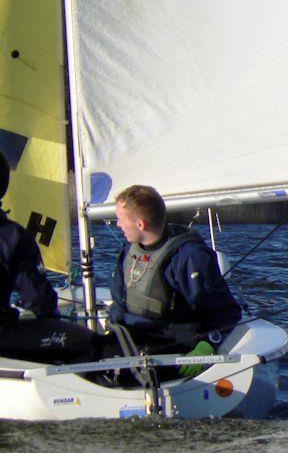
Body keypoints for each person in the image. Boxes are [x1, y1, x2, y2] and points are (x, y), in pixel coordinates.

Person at [110, 185, 242, 377]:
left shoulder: (188, 257)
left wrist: (207, 345)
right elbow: (119, 299)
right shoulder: (129, 251)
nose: (117, 225)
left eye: (120, 220)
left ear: (140, 224)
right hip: (131, 337)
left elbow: (225, 311)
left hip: (168, 346)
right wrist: (113, 327)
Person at [0, 153, 101, 364]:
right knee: (89, 342)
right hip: (2, 333)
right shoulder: (11, 237)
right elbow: (38, 298)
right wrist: (49, 314)